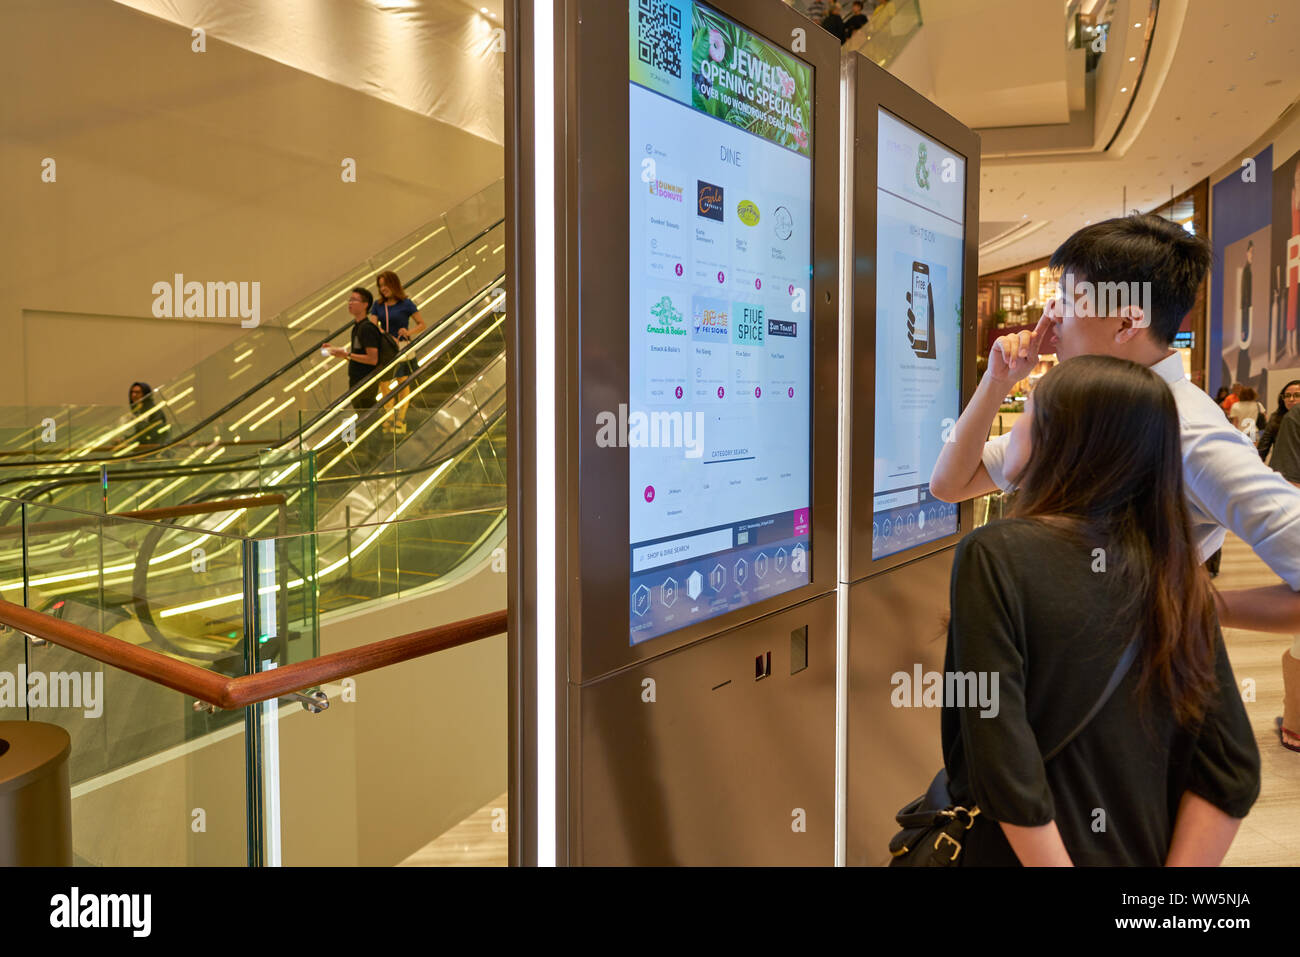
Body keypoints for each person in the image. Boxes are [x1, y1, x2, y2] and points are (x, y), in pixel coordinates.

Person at [930, 213, 1300, 754]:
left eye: (1069, 300)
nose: (1049, 320)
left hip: (1133, 706)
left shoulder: (1189, 433)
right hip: (1062, 692)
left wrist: (1196, 605)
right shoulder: (1085, 404)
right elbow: (951, 483)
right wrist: (996, 382)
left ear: (1126, 323)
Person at [942, 356, 1260, 865]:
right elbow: (1231, 768)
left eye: (1032, 411)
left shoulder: (994, 555)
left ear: (1059, 439)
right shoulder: (1175, 567)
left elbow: (1001, 760)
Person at [370, 270, 426, 434]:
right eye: (380, 286)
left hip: (402, 347)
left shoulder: (406, 304)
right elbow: (373, 325)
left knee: (403, 381)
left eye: (385, 285)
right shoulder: (378, 305)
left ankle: (400, 419)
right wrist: (384, 334)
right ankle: (389, 416)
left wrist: (408, 332)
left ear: (393, 284)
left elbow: (422, 324)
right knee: (383, 382)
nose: (383, 289)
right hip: (385, 349)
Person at [326, 287, 382, 410]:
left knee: (368, 415)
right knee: (361, 414)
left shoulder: (367, 328)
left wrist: (347, 355)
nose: (350, 303)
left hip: (366, 382)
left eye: (354, 300)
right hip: (356, 381)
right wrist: (339, 353)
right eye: (349, 300)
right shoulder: (356, 327)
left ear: (365, 305)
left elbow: (373, 359)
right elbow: (357, 356)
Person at [1257, 378, 1300, 462]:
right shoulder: (1276, 418)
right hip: (1282, 469)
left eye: (1297, 395)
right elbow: (1262, 449)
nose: (1291, 399)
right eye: (1287, 396)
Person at [126, 381, 168, 448]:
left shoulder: (154, 411)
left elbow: (152, 432)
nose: (133, 395)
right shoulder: (136, 412)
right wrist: (124, 440)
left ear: (145, 394)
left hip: (154, 448)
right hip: (139, 450)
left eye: (137, 392)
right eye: (132, 392)